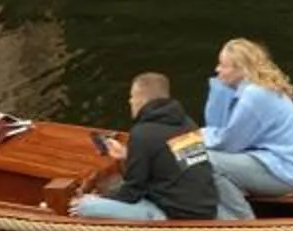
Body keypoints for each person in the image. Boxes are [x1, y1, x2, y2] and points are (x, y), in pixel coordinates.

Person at [73, 71, 227, 221]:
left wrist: (98, 198)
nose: (130, 101)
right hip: (203, 208)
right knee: (113, 187)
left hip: (174, 216)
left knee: (83, 206)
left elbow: (132, 193)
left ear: (141, 99)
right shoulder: (187, 123)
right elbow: (176, 163)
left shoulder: (142, 133)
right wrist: (129, 154)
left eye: (132, 96)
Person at [203, 37, 293, 210]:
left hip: (287, 172)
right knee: (189, 154)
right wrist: (220, 89)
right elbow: (218, 125)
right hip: (280, 164)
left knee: (199, 159)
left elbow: (228, 144)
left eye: (223, 65)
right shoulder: (254, 88)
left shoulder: (255, 95)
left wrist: (195, 138)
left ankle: (240, 219)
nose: (217, 69)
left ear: (241, 69)